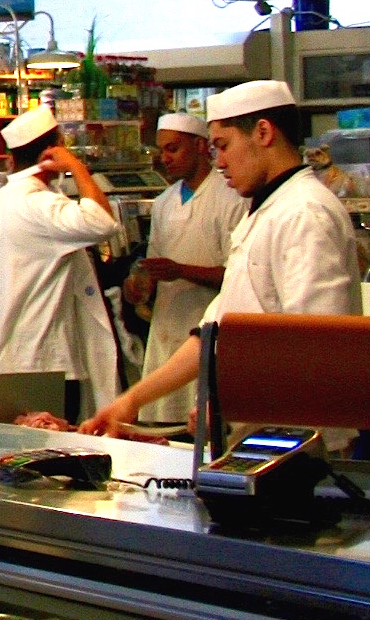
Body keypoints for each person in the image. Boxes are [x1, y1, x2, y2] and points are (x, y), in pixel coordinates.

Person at [84, 80, 363, 437]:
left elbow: (316, 344)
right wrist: (129, 403)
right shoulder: (263, 211)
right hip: (259, 433)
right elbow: (212, 332)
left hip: (305, 438)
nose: (219, 162)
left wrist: (235, 400)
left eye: (223, 146)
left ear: (263, 132)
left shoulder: (305, 212)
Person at [0, 105, 123, 422]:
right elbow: (104, 222)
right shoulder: (41, 205)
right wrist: (78, 169)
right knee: (52, 459)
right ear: (54, 150)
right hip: (46, 364)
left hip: (3, 361)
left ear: (12, 158)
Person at [121, 112, 248, 425]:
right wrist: (139, 287)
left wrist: (182, 271)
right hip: (167, 328)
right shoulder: (164, 202)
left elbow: (237, 276)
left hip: (208, 329)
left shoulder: (230, 196)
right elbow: (151, 268)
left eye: (173, 149)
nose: (166, 158)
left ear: (200, 146)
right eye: (162, 150)